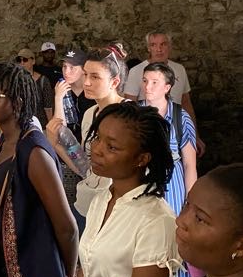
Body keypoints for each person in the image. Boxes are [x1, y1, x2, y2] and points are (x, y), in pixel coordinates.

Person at [0, 62, 78, 277]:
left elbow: (67, 227)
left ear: (17, 102)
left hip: (34, 272)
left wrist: (67, 275)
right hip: (7, 271)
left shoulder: (33, 152)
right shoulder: (6, 140)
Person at [72, 102, 180, 277]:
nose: (97, 149)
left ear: (142, 159)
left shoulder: (156, 221)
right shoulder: (101, 200)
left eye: (112, 147)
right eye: (97, 138)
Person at [141, 61, 198, 277]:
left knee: (170, 241)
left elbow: (189, 164)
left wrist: (190, 202)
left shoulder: (180, 117)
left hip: (172, 186)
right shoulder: (134, 116)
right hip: (141, 185)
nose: (148, 87)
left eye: (154, 82)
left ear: (167, 87)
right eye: (145, 81)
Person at [122, 31, 204, 155]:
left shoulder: (179, 69)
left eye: (163, 44)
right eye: (153, 45)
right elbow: (130, 106)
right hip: (149, 131)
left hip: (177, 129)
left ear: (170, 46)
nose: (159, 49)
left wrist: (194, 135)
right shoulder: (136, 71)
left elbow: (186, 103)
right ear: (148, 48)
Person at [70, 44, 128, 217]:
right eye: (85, 74)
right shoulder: (90, 114)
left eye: (95, 76)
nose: (86, 82)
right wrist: (58, 145)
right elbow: (86, 164)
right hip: (87, 203)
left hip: (116, 210)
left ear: (114, 82)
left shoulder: (130, 115)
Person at [45, 47, 95, 233]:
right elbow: (59, 128)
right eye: (64, 66)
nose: (67, 71)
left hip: (90, 157)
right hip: (67, 156)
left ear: (84, 70)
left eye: (73, 67)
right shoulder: (62, 90)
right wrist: (58, 98)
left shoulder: (91, 94)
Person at [15, 47, 53, 126]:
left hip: (41, 126)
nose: (22, 63)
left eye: (25, 60)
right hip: (22, 126)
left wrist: (51, 125)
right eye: (19, 60)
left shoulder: (43, 81)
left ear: (33, 61)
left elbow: (48, 107)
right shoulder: (16, 81)